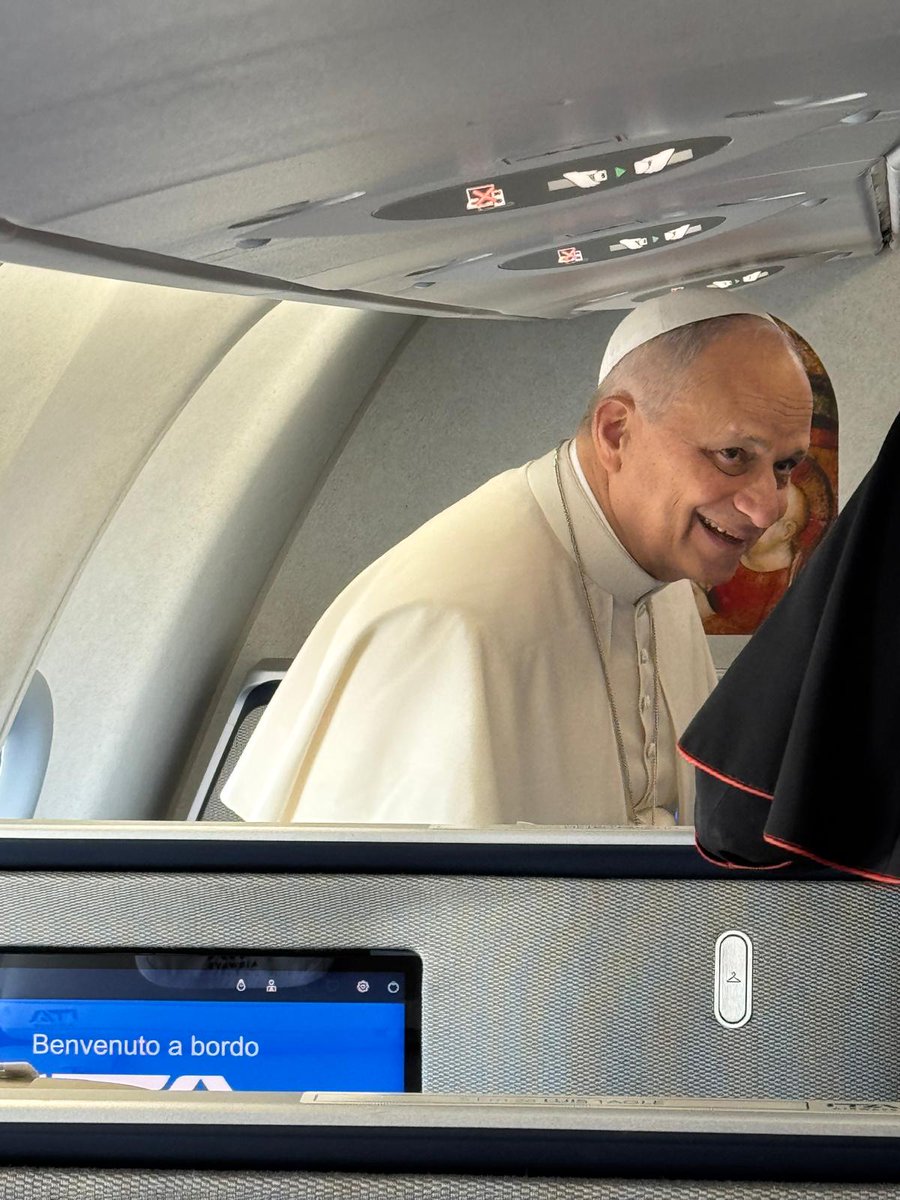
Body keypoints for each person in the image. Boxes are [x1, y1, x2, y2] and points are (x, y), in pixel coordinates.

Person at [221, 291, 813, 829]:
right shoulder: (451, 625)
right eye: (734, 455)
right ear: (615, 432)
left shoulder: (662, 574)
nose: (766, 508)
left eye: (785, 466)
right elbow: (395, 919)